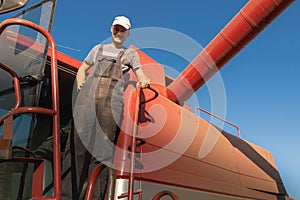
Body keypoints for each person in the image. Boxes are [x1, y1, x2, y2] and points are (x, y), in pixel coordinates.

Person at [61, 16, 150, 200]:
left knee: (103, 151)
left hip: (111, 103)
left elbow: (140, 73)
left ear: (128, 34)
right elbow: (83, 68)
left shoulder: (130, 54)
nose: (119, 32)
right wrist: (80, 84)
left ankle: (96, 196)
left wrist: (144, 80)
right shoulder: (98, 49)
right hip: (86, 101)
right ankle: (67, 195)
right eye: (117, 29)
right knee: (76, 147)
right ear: (111, 30)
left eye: (123, 30)